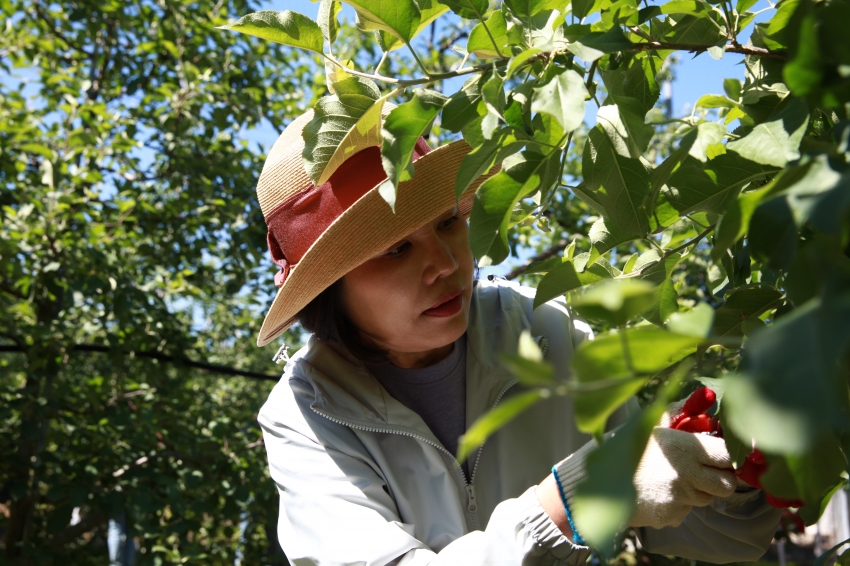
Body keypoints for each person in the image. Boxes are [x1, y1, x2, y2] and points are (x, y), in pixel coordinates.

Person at [253, 109, 783, 565]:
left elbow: (716, 537)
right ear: (328, 293)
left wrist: (736, 466)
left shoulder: (546, 334)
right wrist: (575, 497)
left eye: (445, 223)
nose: (444, 263)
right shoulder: (307, 416)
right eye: (394, 250)